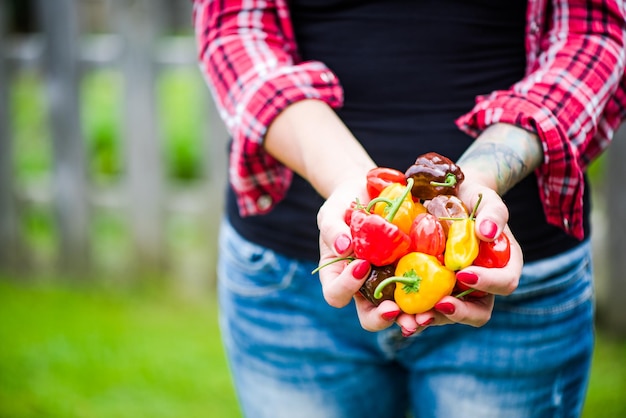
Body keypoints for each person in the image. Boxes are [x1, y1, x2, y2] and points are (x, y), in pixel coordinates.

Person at [193, 0, 626, 416]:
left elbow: (593, 36)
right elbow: (234, 29)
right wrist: (353, 186)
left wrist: (480, 180)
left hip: (517, 284)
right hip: (288, 283)